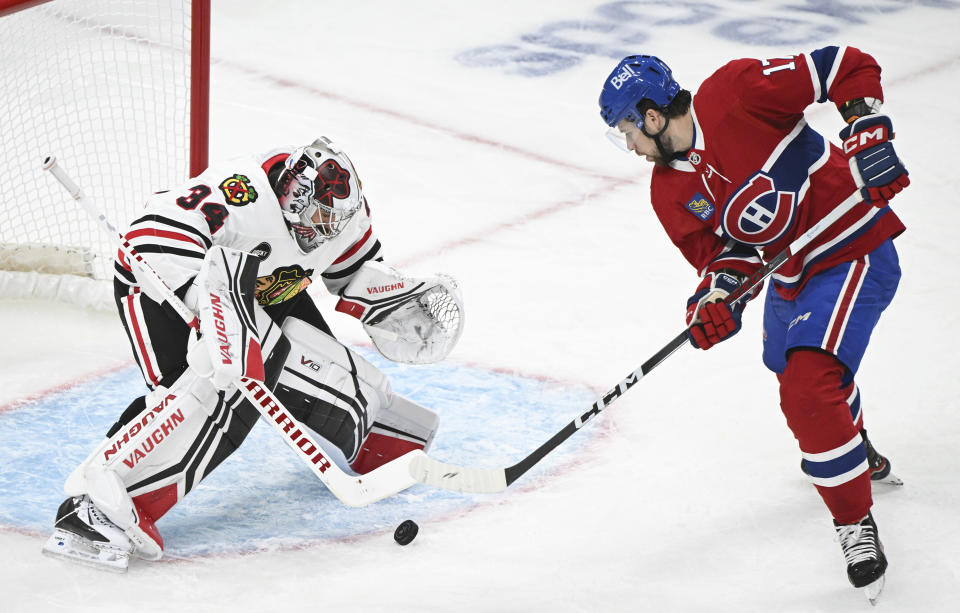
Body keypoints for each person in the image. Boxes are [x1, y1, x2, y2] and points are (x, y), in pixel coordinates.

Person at [41, 136, 464, 571]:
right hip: (165, 288)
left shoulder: (345, 217)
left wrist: (394, 304)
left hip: (263, 287)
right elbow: (148, 237)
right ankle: (97, 506)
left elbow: (354, 270)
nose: (319, 231)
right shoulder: (238, 194)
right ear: (288, 196)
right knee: (207, 396)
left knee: (312, 364)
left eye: (329, 223)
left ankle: (373, 433)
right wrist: (208, 309)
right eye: (313, 219)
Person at [598, 48, 909, 601]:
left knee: (808, 389)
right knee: (803, 377)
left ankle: (853, 524)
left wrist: (867, 131)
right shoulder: (668, 192)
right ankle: (854, 449)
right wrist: (715, 299)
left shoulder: (736, 91)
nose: (630, 145)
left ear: (650, 115)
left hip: (852, 244)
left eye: (629, 128)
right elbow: (727, 256)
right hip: (793, 275)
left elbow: (845, 65)